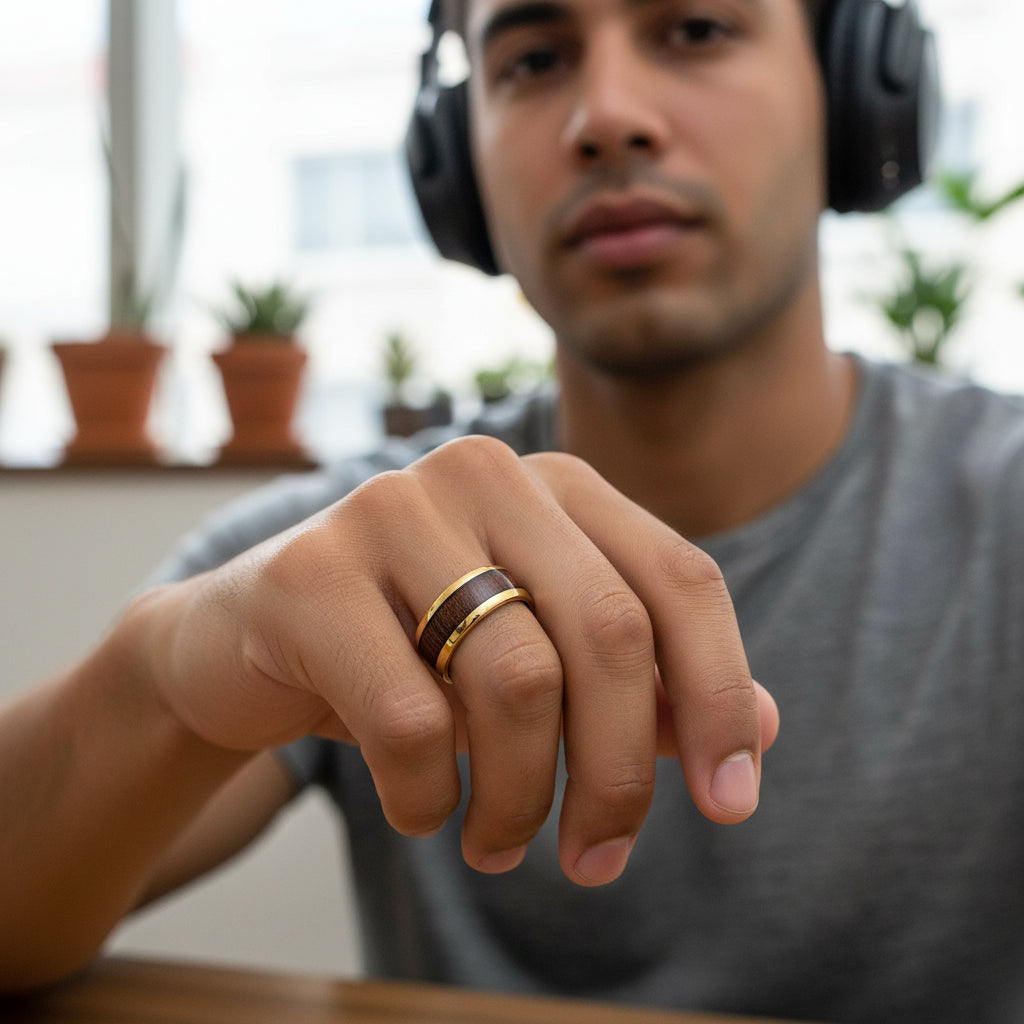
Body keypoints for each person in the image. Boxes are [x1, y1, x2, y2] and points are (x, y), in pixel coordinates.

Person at [3, 0, 1023, 1019]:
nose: (607, 115)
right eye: (534, 59)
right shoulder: (354, 554)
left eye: (697, 31)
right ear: (456, 163)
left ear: (851, 93)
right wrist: (163, 682)